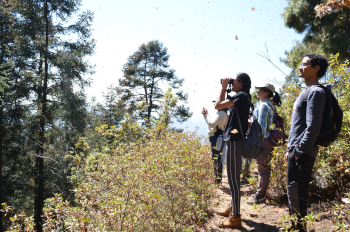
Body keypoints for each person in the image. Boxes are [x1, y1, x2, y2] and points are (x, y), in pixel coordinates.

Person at [284, 53, 328, 232]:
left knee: (297, 191)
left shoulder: (316, 92)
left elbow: (313, 128)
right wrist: (291, 149)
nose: (300, 67)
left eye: (304, 64)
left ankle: (298, 228)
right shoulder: (307, 91)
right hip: (297, 150)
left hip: (303, 152)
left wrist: (298, 151)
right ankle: (296, 226)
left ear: (316, 68)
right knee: (294, 190)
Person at [214, 73, 253, 228]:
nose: (232, 82)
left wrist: (223, 88)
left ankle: (236, 217)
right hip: (235, 140)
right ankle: (233, 208)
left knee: (233, 180)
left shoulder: (241, 96)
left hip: (234, 141)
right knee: (233, 177)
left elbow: (218, 106)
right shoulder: (242, 96)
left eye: (234, 81)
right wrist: (227, 87)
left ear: (241, 84)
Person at [246, 82, 282, 204]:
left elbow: (260, 128)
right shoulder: (271, 105)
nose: (257, 92)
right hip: (270, 140)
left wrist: (251, 124)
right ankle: (260, 193)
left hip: (263, 141)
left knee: (262, 168)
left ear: (266, 92)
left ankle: (260, 195)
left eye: (260, 89)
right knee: (265, 167)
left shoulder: (263, 106)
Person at [202, 104, 227, 184]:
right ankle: (217, 178)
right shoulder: (221, 113)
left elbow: (212, 124)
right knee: (217, 157)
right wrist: (207, 114)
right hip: (218, 137)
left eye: (216, 102)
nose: (214, 104)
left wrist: (205, 115)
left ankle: (217, 179)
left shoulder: (221, 113)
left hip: (216, 138)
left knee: (216, 157)